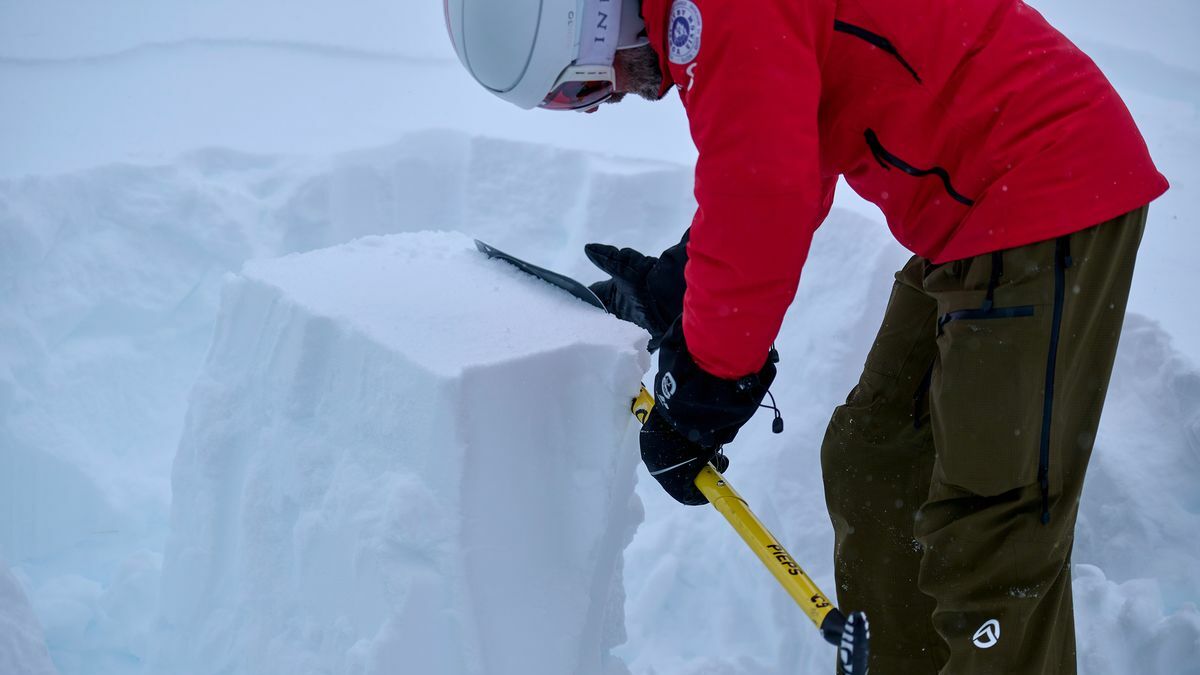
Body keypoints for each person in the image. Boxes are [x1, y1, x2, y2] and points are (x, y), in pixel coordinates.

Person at [444, 0, 1169, 672]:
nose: (615, 98)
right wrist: (683, 284)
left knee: (992, 535)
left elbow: (766, 190)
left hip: (1044, 189)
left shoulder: (719, 11)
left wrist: (703, 387)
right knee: (877, 458)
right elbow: (788, 148)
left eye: (586, 86)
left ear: (591, 19)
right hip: (982, 212)